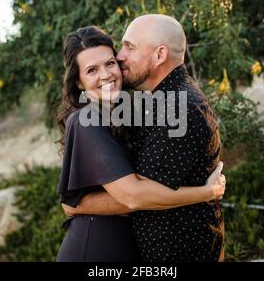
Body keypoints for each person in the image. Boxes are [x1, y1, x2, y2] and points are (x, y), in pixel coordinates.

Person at [55, 26, 226, 262]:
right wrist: (205, 193)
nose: (106, 75)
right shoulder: (87, 121)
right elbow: (133, 196)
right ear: (80, 82)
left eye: (110, 63)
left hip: (127, 247)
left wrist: (79, 205)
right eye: (92, 70)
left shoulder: (126, 114)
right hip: (95, 248)